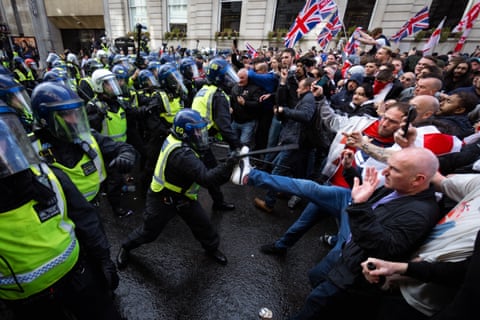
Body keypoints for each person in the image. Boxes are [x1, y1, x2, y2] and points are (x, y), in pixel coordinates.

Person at [0, 101, 122, 319]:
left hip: (78, 276)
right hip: (28, 302)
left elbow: (86, 220)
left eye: (3, 138)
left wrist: (103, 260)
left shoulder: (47, 176)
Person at [116, 109, 238, 269]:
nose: (201, 136)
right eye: (197, 132)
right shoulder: (181, 154)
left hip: (183, 196)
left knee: (203, 225)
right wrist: (229, 165)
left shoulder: (180, 140)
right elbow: (207, 179)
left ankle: (212, 248)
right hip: (163, 198)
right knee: (149, 231)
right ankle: (126, 247)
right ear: (184, 132)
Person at [361, 172, 480, 320]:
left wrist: (402, 270)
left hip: (416, 300)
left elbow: (463, 271)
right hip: (395, 270)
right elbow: (439, 179)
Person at [30, 82, 137, 218]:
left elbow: (121, 147)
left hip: (92, 208)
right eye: (67, 114)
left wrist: (127, 154)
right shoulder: (29, 148)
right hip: (60, 216)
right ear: (46, 118)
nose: (74, 120)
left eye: (76, 113)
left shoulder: (87, 137)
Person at [192, 57, 242, 211]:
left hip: (196, 137)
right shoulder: (218, 95)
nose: (230, 79)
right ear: (219, 78)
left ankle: (218, 202)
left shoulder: (206, 89)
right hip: (200, 141)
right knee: (211, 174)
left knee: (207, 172)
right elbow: (225, 127)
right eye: (226, 76)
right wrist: (238, 146)